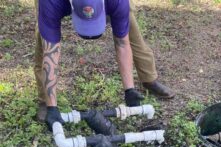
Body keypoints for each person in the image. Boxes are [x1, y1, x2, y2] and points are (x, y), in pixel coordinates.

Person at [34, 0, 175, 128]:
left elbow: (122, 44)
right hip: (54, 4)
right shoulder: (50, 3)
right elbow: (51, 53)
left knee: (126, 22)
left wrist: (129, 89)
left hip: (113, 3)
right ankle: (45, 101)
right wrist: (53, 107)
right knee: (45, 37)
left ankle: (148, 78)